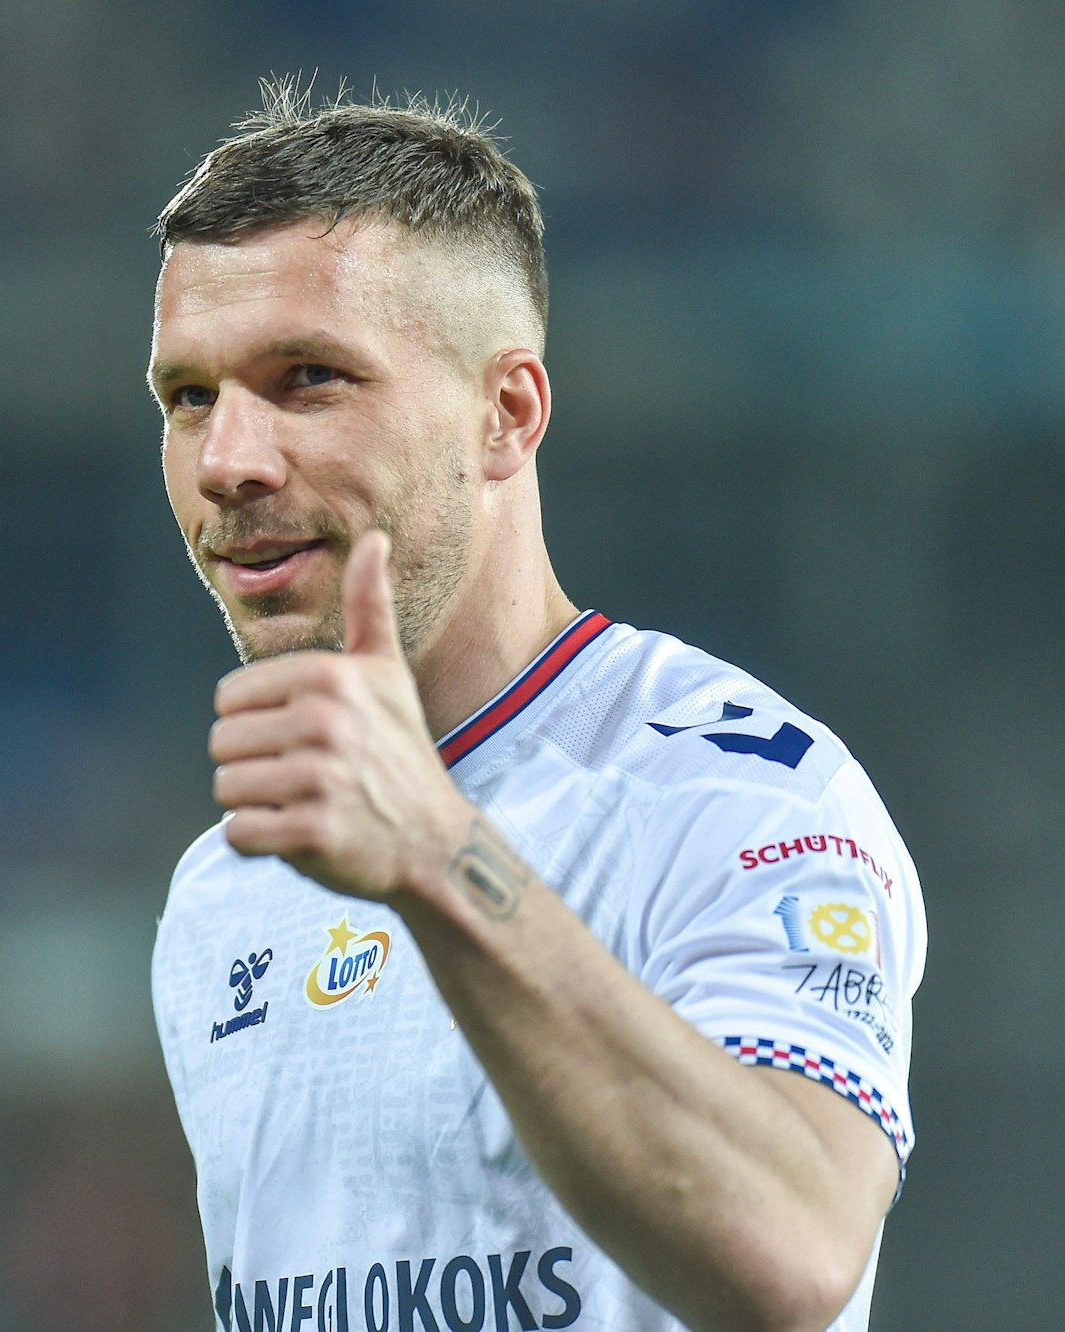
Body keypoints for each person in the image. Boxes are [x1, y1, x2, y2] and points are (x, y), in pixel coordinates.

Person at [147, 83, 924, 1332]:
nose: (229, 459)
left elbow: (793, 1250)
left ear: (507, 413)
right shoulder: (219, 892)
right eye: (188, 396)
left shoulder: (737, 795)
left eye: (308, 378)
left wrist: (443, 861)